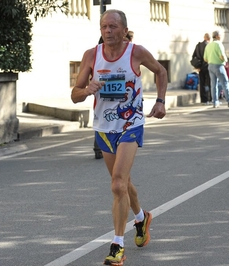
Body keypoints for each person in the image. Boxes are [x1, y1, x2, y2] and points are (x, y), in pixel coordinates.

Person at [71, 9, 167, 265]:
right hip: (104, 127)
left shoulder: (136, 52)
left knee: (117, 184)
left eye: (113, 26)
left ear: (124, 30)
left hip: (130, 124)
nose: (108, 31)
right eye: (104, 26)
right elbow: (75, 94)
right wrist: (86, 89)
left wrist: (160, 101)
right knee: (122, 183)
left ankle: (117, 244)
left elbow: (160, 71)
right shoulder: (91, 55)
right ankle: (141, 218)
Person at [203, 30, 229, 108]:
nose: (221, 36)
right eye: (220, 35)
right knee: (225, 83)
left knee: (213, 84)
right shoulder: (219, 44)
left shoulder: (208, 45)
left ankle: (215, 102)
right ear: (217, 36)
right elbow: (222, 56)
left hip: (210, 66)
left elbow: (205, 58)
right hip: (219, 66)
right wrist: (225, 61)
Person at [192, 33, 212, 105]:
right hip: (208, 66)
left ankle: (203, 99)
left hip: (200, 67)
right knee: (209, 83)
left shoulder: (198, 45)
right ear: (209, 39)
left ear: (204, 38)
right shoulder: (209, 46)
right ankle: (209, 98)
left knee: (202, 83)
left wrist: (197, 66)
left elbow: (194, 56)